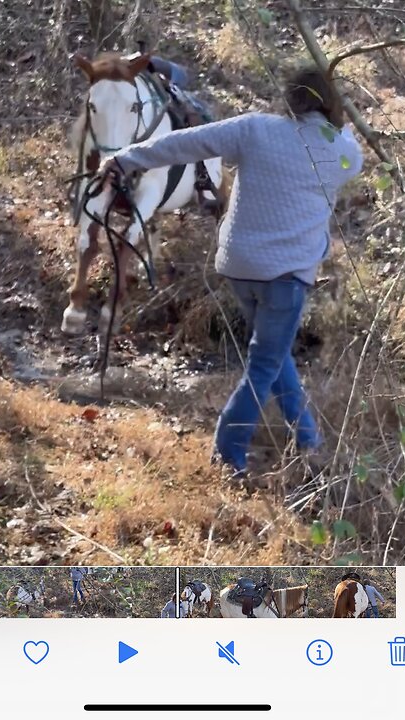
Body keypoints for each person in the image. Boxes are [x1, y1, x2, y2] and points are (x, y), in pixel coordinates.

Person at [99, 63, 363, 476]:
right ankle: (227, 455)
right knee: (264, 363)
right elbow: (352, 151)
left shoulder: (255, 129)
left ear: (289, 98)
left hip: (239, 267)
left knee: (273, 357)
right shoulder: (343, 151)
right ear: (330, 104)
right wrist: (343, 121)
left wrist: (125, 157)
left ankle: (310, 441)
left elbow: (186, 143)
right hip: (286, 276)